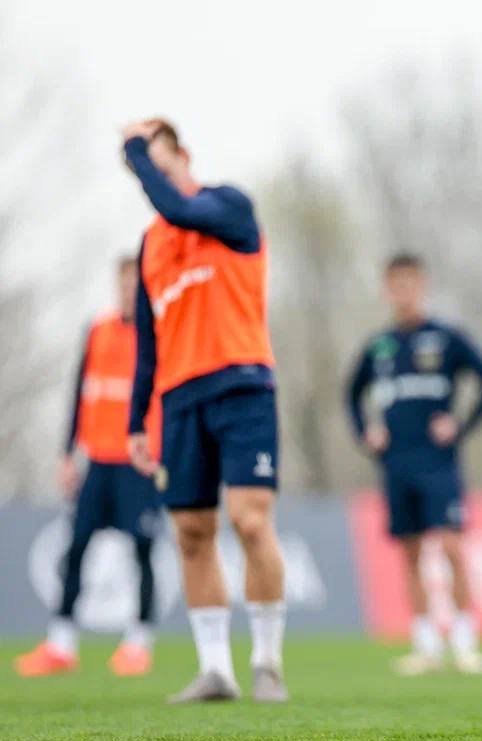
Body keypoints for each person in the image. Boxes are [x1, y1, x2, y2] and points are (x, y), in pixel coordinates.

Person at [122, 118, 288, 704]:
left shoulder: (227, 206)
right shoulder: (150, 245)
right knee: (191, 533)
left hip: (242, 385)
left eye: (156, 156)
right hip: (179, 400)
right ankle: (216, 670)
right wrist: (135, 420)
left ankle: (267, 662)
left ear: (183, 155)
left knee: (250, 520)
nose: (148, 167)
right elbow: (148, 341)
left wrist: (134, 153)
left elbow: (180, 207)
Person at [346, 253, 482, 676]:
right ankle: (426, 646)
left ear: (422, 286)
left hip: (439, 463)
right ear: (387, 290)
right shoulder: (380, 346)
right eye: (395, 285)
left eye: (410, 283)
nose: (403, 292)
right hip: (396, 463)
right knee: (410, 552)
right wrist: (366, 432)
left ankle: (465, 644)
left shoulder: (446, 338)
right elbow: (352, 394)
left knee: (451, 546)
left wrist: (460, 424)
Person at [15, 257, 163, 678]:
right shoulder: (97, 330)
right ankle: (61, 644)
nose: (128, 293)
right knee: (76, 547)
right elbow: (80, 393)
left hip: (139, 463)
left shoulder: (158, 336)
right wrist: (67, 454)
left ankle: (138, 644)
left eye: (135, 287)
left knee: (143, 549)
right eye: (123, 286)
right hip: (97, 461)